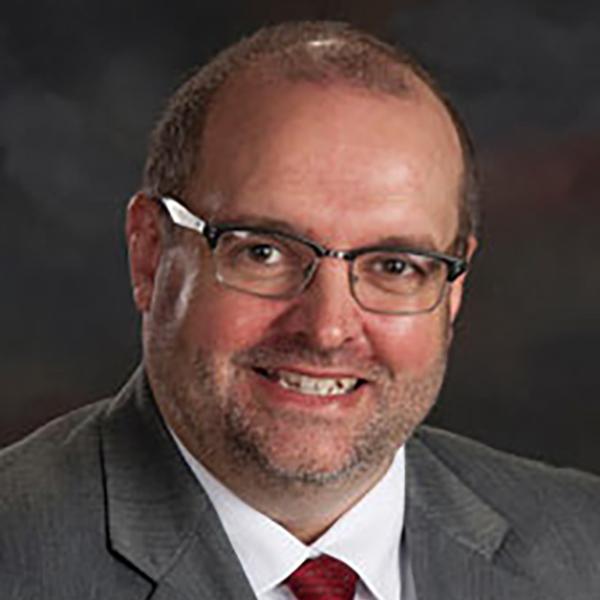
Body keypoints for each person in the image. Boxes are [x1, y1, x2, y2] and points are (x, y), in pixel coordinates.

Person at [1, 21, 599, 600]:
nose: (328, 328)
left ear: (453, 288)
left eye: (395, 266)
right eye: (262, 252)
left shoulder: (585, 550)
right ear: (151, 255)